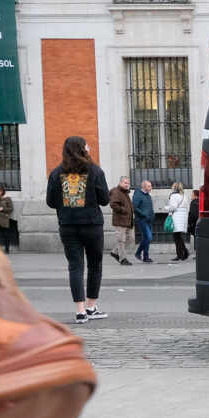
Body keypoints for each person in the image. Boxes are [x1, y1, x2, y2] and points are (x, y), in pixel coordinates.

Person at [45, 135, 110, 324]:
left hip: (67, 225)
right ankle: (91, 306)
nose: (89, 148)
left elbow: (50, 202)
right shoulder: (95, 171)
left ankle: (80, 311)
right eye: (87, 146)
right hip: (92, 224)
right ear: (82, 149)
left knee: (75, 266)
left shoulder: (56, 173)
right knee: (95, 265)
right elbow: (105, 199)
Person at [108, 175, 134, 266]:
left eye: (128, 183)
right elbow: (113, 204)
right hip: (120, 220)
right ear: (120, 182)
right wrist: (123, 210)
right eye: (125, 183)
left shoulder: (125, 192)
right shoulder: (116, 191)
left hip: (128, 220)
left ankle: (115, 252)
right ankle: (123, 259)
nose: (127, 185)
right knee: (121, 240)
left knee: (130, 239)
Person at [165, 181, 189, 262]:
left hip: (176, 217)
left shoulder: (173, 196)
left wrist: (166, 208)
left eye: (172, 186)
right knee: (178, 236)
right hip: (183, 217)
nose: (171, 188)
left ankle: (181, 254)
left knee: (176, 237)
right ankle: (183, 253)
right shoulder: (184, 196)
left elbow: (173, 207)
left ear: (174, 187)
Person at [134, 179, 155, 263]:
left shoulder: (148, 195)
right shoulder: (138, 195)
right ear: (144, 186)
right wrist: (143, 214)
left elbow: (150, 207)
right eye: (149, 186)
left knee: (146, 238)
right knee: (149, 237)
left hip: (149, 220)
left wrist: (152, 215)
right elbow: (134, 207)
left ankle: (146, 257)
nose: (151, 187)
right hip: (142, 220)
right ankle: (138, 253)